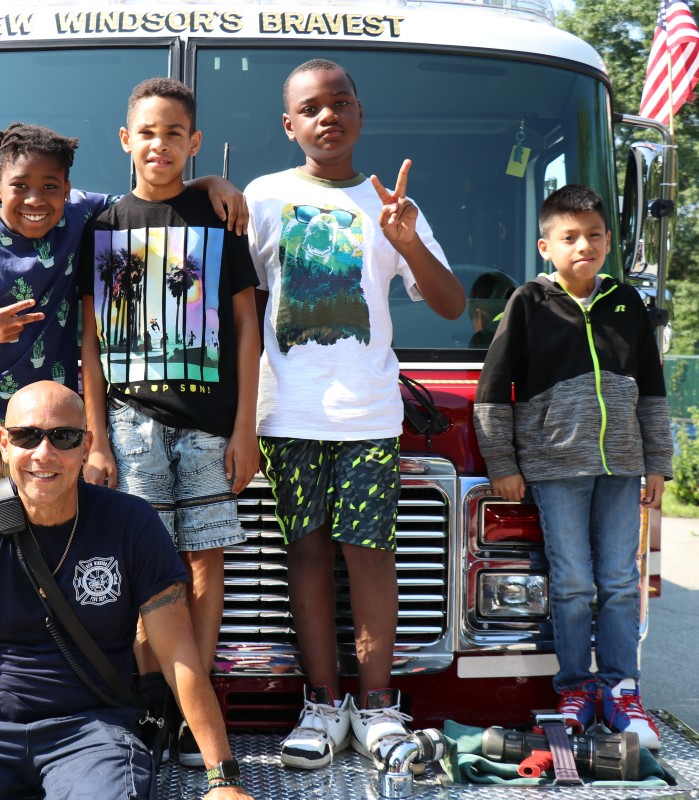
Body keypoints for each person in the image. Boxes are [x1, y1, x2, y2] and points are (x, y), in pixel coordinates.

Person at [0, 123, 248, 696]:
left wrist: (211, 179)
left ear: (69, 189)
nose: (37, 200)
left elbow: (152, 189)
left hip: (59, 432)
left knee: (63, 559)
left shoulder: (87, 216)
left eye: (51, 187)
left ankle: (62, 692)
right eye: (21, 186)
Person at [0, 381, 254, 800]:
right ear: (3, 442)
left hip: (93, 735)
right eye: (26, 436)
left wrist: (224, 781)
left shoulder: (132, 523)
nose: (43, 453)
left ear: (86, 445)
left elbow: (178, 656)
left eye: (63, 437)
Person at [243, 58, 465, 769]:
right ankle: (320, 704)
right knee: (304, 557)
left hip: (368, 415)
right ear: (289, 124)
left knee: (370, 558)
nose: (326, 116)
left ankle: (377, 707)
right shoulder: (264, 196)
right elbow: (239, 306)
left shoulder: (391, 204)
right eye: (311, 107)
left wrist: (405, 243)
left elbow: (452, 304)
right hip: (287, 414)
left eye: (340, 103)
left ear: (360, 114)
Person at [79, 78, 261, 766]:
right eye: (147, 133)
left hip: (210, 425)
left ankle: (195, 707)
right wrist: (94, 435)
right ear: (126, 141)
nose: (160, 145)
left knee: (204, 564)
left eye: (173, 133)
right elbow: (90, 341)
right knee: (138, 569)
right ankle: (148, 701)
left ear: (195, 143)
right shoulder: (101, 226)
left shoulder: (217, 217)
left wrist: (245, 428)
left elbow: (247, 325)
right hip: (129, 426)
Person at [473, 183, 672, 750]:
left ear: (608, 242)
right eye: (569, 237)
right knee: (572, 582)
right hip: (555, 468)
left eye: (593, 235)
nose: (582, 244)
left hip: (622, 467)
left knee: (618, 580)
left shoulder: (626, 304)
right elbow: (493, 390)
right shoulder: (529, 303)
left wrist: (657, 460)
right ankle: (575, 689)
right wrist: (503, 464)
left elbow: (653, 390)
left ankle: (622, 690)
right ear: (546, 247)